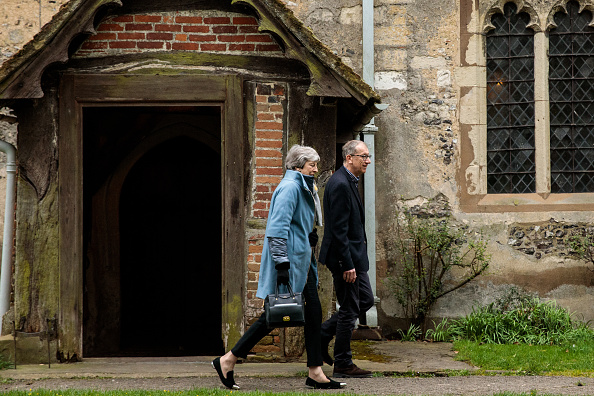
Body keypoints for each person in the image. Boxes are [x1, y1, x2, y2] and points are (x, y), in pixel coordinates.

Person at [212, 145, 345, 390]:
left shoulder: (303, 186)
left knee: (313, 313)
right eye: (312, 165)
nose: (316, 169)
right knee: (274, 316)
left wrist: (309, 235)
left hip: (303, 261)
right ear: (298, 166)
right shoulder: (290, 187)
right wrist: (282, 264)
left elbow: (297, 222)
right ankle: (228, 359)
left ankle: (315, 372)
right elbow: (276, 231)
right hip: (290, 261)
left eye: (316, 164)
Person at [318, 140, 375, 378]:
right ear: (349, 158)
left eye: (368, 156)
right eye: (363, 156)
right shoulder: (340, 184)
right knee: (350, 309)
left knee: (365, 301)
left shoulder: (349, 180)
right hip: (345, 259)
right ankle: (342, 363)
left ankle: (323, 333)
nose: (368, 161)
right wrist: (347, 264)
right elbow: (338, 230)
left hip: (353, 257)